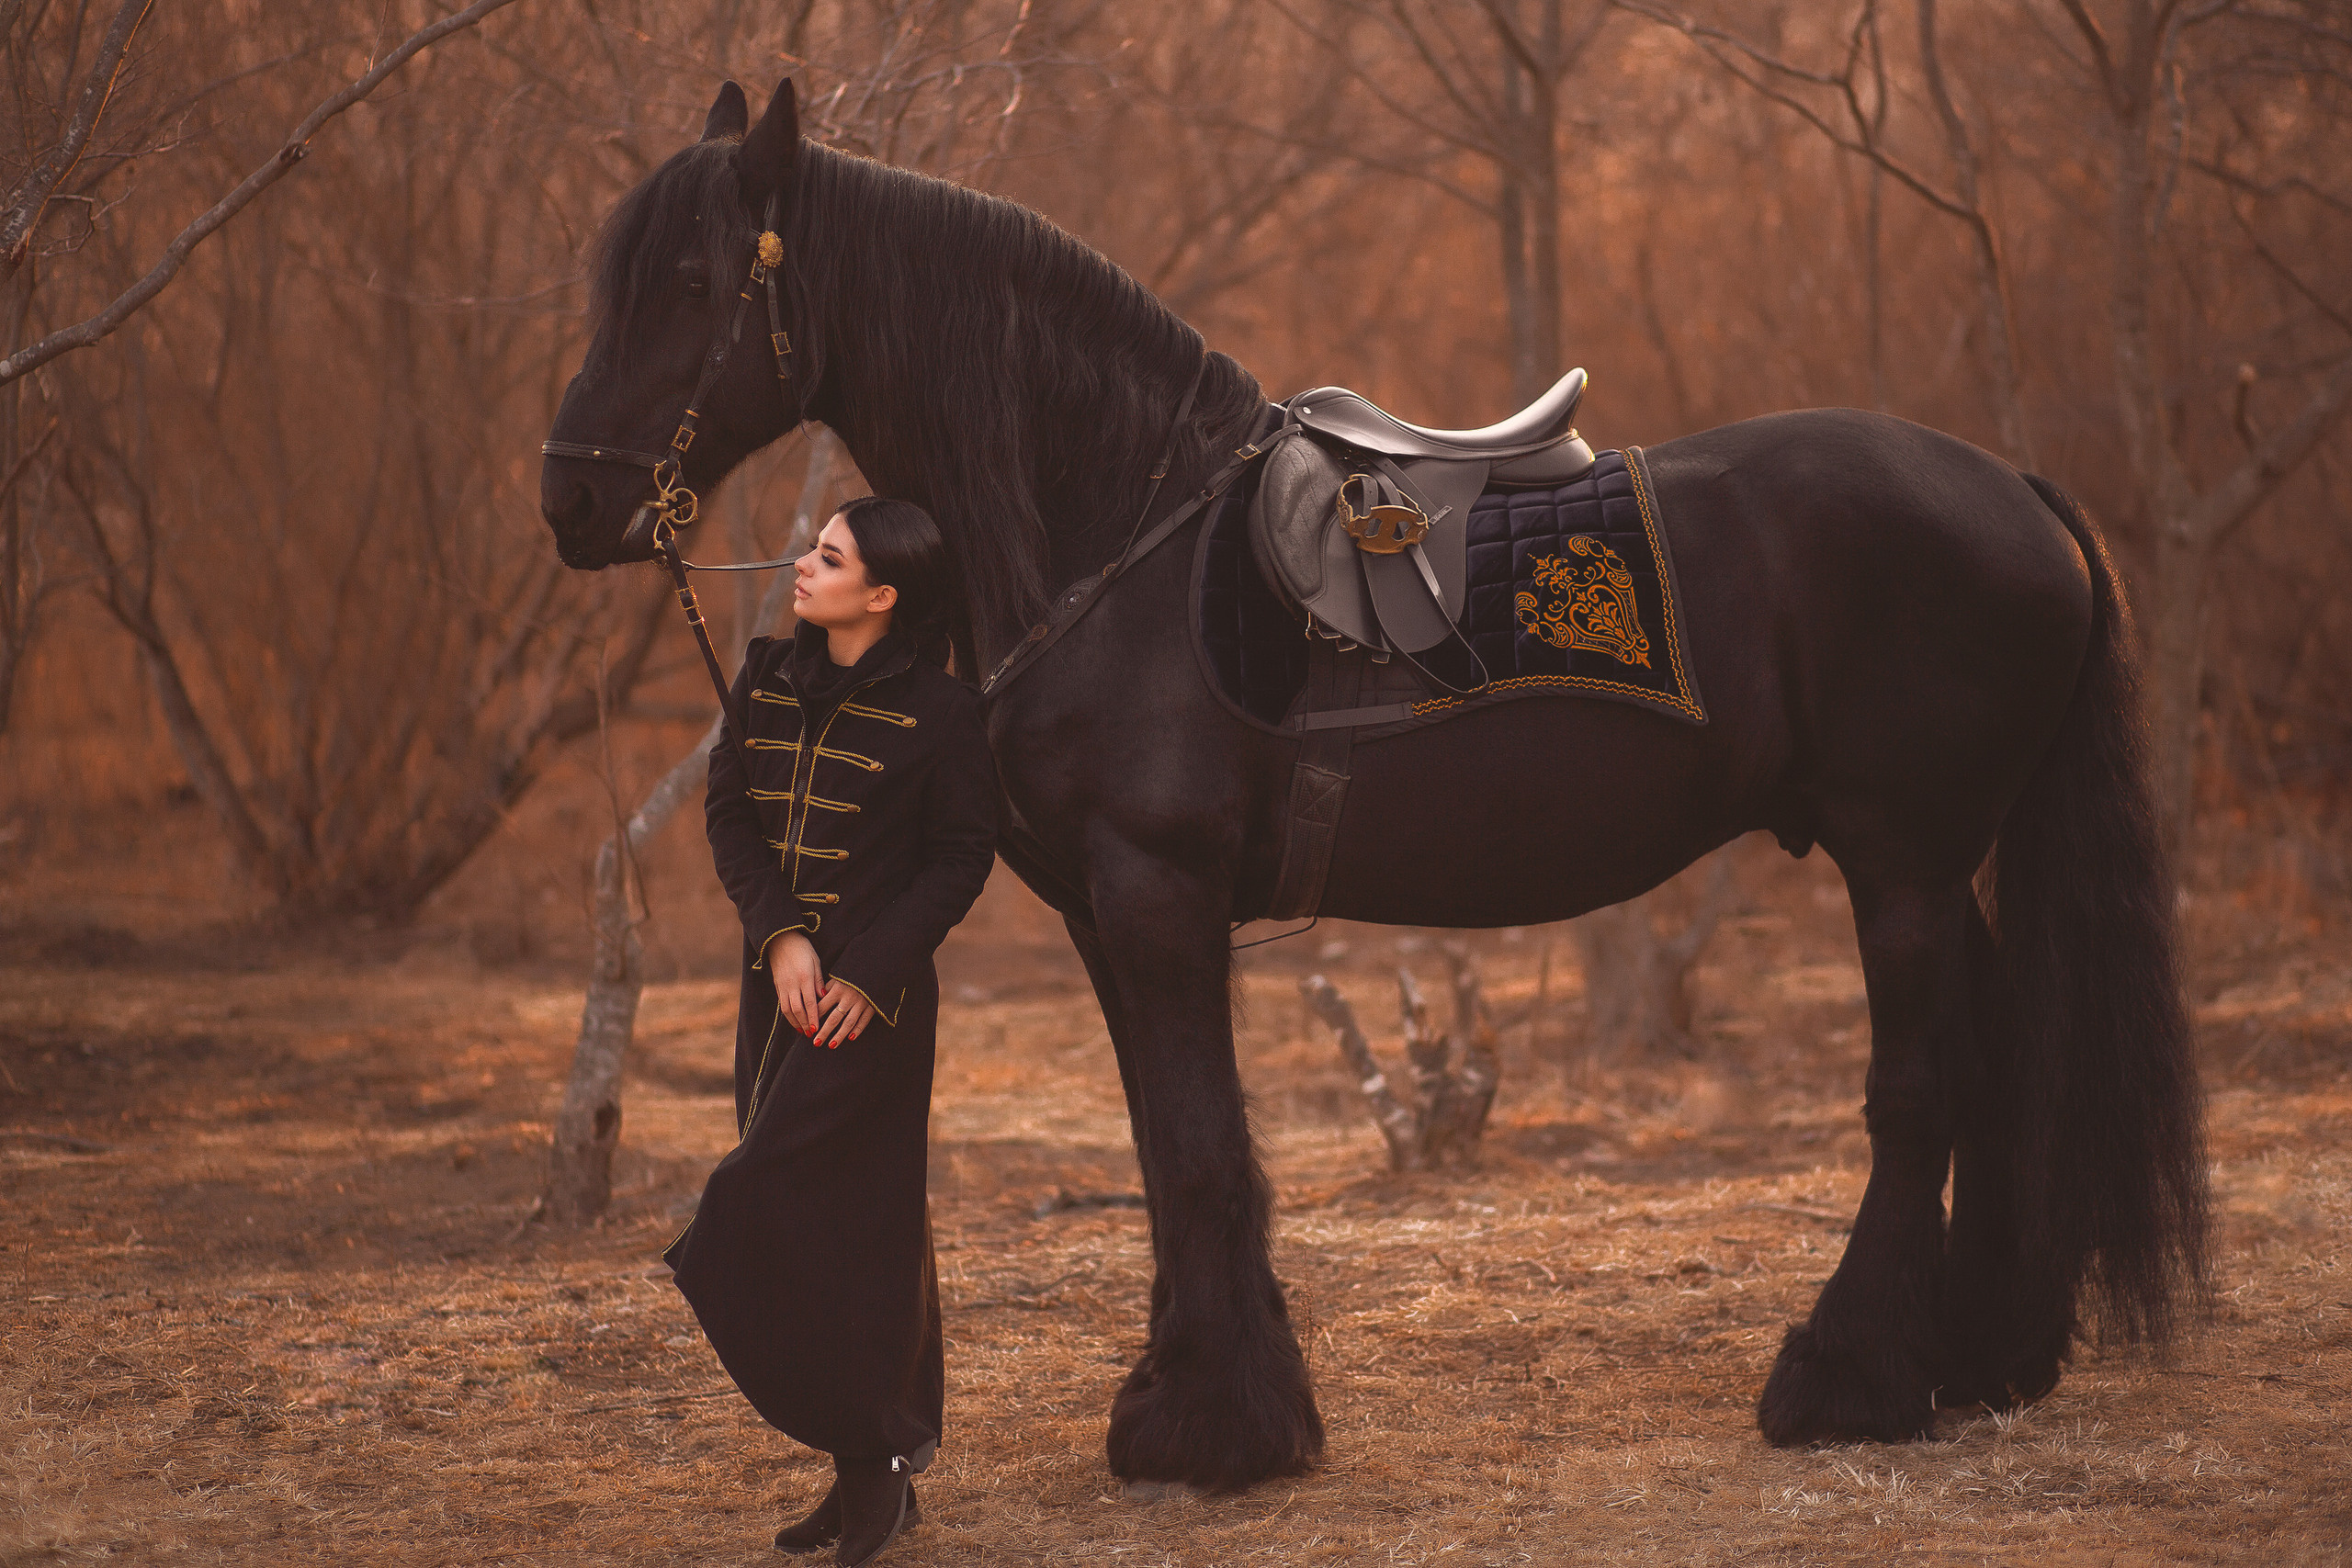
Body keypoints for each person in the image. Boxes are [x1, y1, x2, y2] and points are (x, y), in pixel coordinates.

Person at [664, 496, 1000, 1566]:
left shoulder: (944, 711)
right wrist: (778, 939)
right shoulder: (765, 676)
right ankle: (871, 1466)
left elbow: (961, 855)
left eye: (829, 556)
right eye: (813, 548)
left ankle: (873, 1463)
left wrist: (867, 968)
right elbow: (730, 817)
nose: (802, 566)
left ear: (883, 594)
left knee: (834, 1223)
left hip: (871, 1008)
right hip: (777, 998)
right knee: (824, 1230)